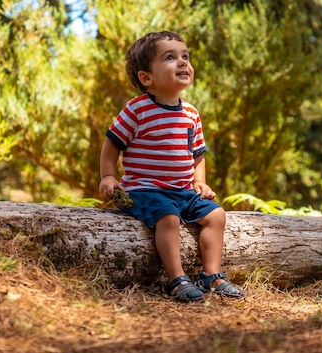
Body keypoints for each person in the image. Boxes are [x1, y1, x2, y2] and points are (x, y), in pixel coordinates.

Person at [99, 31, 244, 303]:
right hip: (144, 190)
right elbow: (112, 144)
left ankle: (211, 275)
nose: (182, 63)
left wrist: (199, 182)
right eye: (170, 57)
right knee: (168, 218)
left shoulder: (191, 113)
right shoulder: (137, 109)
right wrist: (108, 176)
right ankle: (177, 279)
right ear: (146, 77)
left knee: (216, 216)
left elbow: (197, 153)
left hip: (183, 191)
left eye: (185, 57)